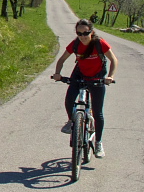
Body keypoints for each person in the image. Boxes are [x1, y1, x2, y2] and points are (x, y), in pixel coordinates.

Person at [51, 18, 118, 158]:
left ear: (91, 32)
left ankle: (98, 143)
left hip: (97, 77)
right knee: (69, 99)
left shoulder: (99, 43)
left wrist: (110, 76)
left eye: (85, 33)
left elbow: (114, 60)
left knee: (98, 113)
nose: (82, 37)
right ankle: (71, 121)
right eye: (79, 33)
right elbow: (62, 59)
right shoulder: (75, 44)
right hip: (79, 74)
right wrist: (57, 73)